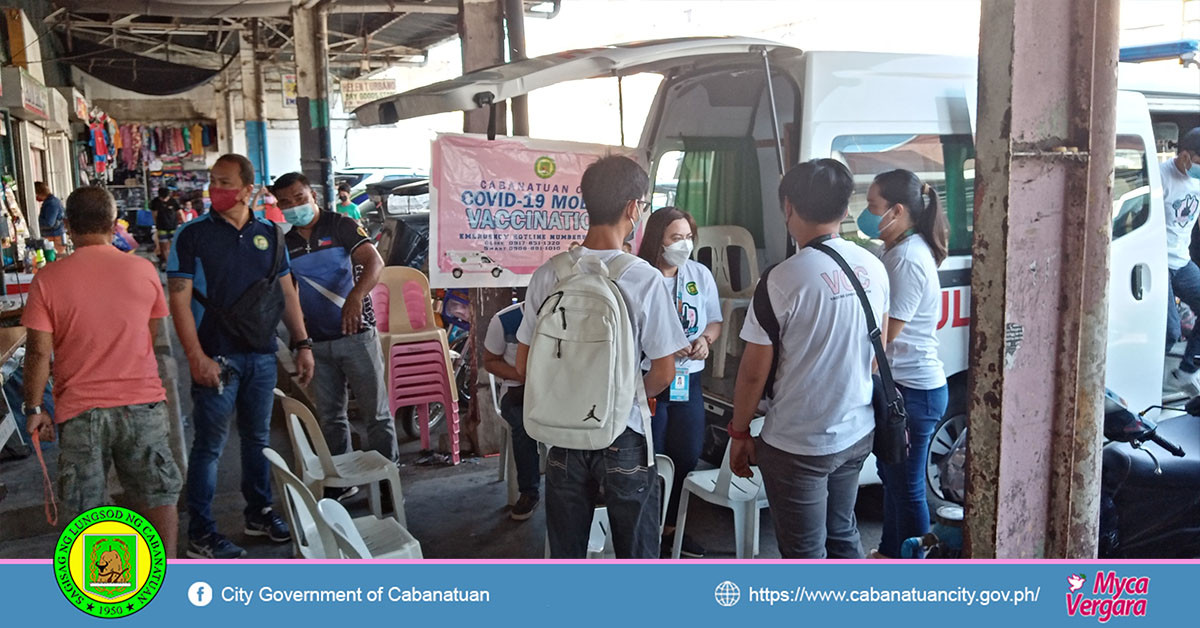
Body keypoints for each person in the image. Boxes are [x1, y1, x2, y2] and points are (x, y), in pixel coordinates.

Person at [515, 155, 689, 558]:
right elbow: (664, 371)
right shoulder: (644, 276)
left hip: (560, 433)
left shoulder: (550, 274)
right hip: (623, 434)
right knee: (636, 553)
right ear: (633, 208)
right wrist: (625, 397)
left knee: (568, 551)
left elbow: (524, 367)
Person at [728, 159, 889, 559]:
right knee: (842, 533)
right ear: (845, 209)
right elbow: (878, 352)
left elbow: (752, 374)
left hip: (799, 444)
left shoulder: (783, 279)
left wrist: (740, 433)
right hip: (856, 431)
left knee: (804, 553)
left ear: (788, 207)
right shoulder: (874, 266)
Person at [167, 153, 315, 559]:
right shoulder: (192, 234)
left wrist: (301, 343)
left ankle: (260, 512)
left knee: (257, 439)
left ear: (248, 189)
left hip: (262, 356)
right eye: (213, 182)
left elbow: (286, 292)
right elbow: (178, 300)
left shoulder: (271, 233)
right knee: (210, 448)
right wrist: (195, 356)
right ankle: (201, 531)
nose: (216, 189)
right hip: (216, 357)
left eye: (225, 182)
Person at [22, 186, 182, 558]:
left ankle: (105, 590)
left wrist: (33, 408)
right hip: (143, 404)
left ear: (66, 225)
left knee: (85, 507)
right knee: (157, 493)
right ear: (113, 224)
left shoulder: (47, 280)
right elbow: (151, 334)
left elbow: (38, 352)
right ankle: (168, 574)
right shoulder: (143, 270)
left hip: (80, 411)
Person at [272, 172, 396, 496]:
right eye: (285, 202)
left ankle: (387, 481)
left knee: (377, 415)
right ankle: (342, 483)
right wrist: (300, 342)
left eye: (299, 198)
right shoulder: (287, 243)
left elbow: (374, 262)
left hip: (357, 336)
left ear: (311, 194)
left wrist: (356, 297)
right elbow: (289, 293)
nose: (294, 206)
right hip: (316, 342)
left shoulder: (340, 225)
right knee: (331, 418)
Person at [857, 169, 949, 558]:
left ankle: (913, 566)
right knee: (892, 478)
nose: (866, 214)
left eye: (872, 207)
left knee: (908, 485)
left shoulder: (908, 258)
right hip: (902, 388)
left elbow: (886, 335)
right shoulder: (894, 250)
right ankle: (891, 551)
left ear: (896, 210)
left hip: (915, 391)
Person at [635, 206, 722, 557]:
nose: (684, 245)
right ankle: (645, 527)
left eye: (688, 237)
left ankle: (671, 528)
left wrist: (706, 341)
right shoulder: (640, 276)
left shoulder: (699, 275)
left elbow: (714, 321)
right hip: (651, 380)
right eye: (676, 238)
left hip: (690, 382)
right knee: (649, 457)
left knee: (686, 453)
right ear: (658, 239)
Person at [483, 301, 539, 520]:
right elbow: (490, 362)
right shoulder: (504, 320)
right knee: (525, 424)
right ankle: (529, 491)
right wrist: (524, 376)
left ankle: (577, 488)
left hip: (555, 390)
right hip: (517, 391)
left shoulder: (566, 313)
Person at [1163, 128, 1200, 394]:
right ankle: (1145, 375)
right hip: (1158, 262)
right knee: (1170, 331)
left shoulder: (1197, 181)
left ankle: (1185, 372)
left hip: (1182, 261)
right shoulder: (1160, 177)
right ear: (1186, 156)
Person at [151, 187, 181, 270]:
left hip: (173, 227)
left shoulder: (173, 201)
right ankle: (169, 263)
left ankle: (174, 262)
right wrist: (156, 225)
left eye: (166, 197)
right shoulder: (155, 202)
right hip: (161, 228)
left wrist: (184, 223)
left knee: (174, 246)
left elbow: (180, 212)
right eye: (162, 198)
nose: (164, 199)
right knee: (164, 247)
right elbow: (154, 215)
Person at [35, 182, 66, 254]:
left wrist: (36, 221)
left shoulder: (51, 203)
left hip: (54, 237)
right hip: (55, 235)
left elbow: (49, 223)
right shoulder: (52, 202)